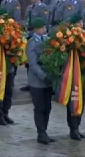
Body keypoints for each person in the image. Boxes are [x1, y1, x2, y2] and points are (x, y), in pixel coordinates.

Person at [27, 17, 54, 145]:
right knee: (39, 107)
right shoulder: (31, 43)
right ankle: (41, 133)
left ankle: (45, 131)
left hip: (48, 80)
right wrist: (43, 76)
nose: (45, 29)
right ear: (36, 29)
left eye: (45, 27)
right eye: (42, 27)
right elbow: (33, 64)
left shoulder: (48, 40)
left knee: (47, 107)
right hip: (37, 81)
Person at [20, 0, 50, 92]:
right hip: (30, 35)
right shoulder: (29, 7)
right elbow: (26, 20)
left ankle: (40, 79)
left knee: (37, 59)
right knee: (29, 61)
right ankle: (30, 81)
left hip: (38, 35)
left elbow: (45, 22)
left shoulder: (43, 7)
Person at [64, 14, 85, 141]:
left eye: (82, 22)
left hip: (83, 73)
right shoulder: (69, 38)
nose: (81, 24)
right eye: (79, 22)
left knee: (82, 102)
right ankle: (73, 128)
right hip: (73, 74)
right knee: (73, 101)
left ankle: (77, 127)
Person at [0, 7, 15, 125]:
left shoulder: (12, 29)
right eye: (2, 17)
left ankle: (6, 113)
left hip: (9, 63)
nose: (4, 19)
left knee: (9, 90)